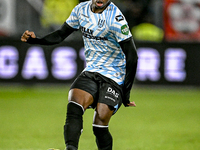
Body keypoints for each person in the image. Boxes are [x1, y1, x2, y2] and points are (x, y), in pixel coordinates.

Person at [21, 0, 138, 150]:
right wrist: (36, 40)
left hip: (114, 75)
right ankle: (70, 148)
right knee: (74, 105)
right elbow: (60, 34)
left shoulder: (116, 19)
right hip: (91, 70)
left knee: (100, 123)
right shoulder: (81, 10)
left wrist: (125, 93)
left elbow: (132, 56)